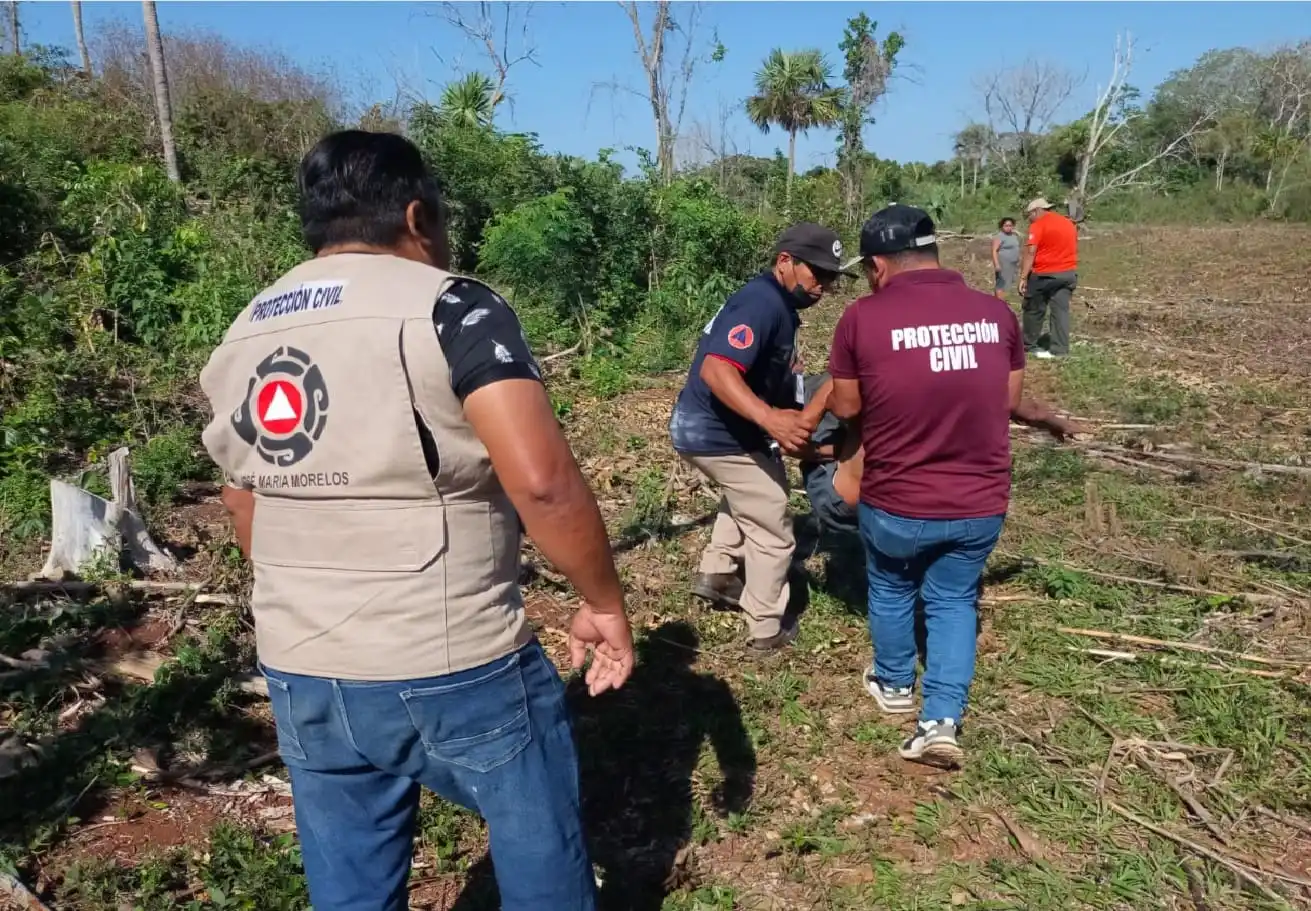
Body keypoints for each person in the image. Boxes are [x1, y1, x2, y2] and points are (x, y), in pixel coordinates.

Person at [198, 130, 633, 911]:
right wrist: (602, 601)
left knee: (352, 882)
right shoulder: (452, 306)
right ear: (415, 215)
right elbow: (542, 484)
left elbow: (242, 499)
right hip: (452, 654)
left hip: (300, 665)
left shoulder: (245, 328)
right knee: (536, 835)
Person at [823, 204, 1080, 769]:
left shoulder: (862, 319)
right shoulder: (996, 315)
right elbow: (1009, 401)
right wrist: (1048, 418)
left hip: (897, 501)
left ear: (878, 266)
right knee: (954, 599)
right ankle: (940, 722)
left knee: (892, 587)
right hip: (979, 502)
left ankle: (894, 684)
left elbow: (845, 407)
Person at [668, 223, 848, 654]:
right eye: (816, 273)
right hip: (715, 431)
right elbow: (717, 370)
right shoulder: (761, 302)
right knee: (772, 524)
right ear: (785, 261)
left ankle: (718, 572)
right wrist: (771, 419)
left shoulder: (777, 305)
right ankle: (766, 627)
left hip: (715, 428)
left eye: (830, 277)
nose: (823, 286)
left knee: (752, 487)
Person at [797, 371, 861, 537]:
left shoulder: (875, 373)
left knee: (820, 391)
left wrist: (808, 420)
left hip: (844, 505)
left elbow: (845, 404)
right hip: (917, 502)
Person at [1018, 197, 1079, 359]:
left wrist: (1023, 277)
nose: (1029, 219)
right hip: (1067, 273)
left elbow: (1031, 251)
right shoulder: (1068, 223)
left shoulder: (1038, 225)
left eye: (1029, 215)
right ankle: (1060, 350)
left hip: (1044, 273)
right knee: (1060, 312)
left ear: (1036, 211)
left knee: (1033, 309)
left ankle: (1028, 345)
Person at [991, 216, 1021, 300]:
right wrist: (996, 264)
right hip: (1003, 264)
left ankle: (1000, 300)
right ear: (1002, 226)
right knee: (1001, 283)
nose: (1008, 227)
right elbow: (994, 251)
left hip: (1012, 264)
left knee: (1007, 284)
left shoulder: (1014, 236)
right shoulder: (999, 236)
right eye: (1006, 226)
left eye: (1010, 225)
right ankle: (999, 302)